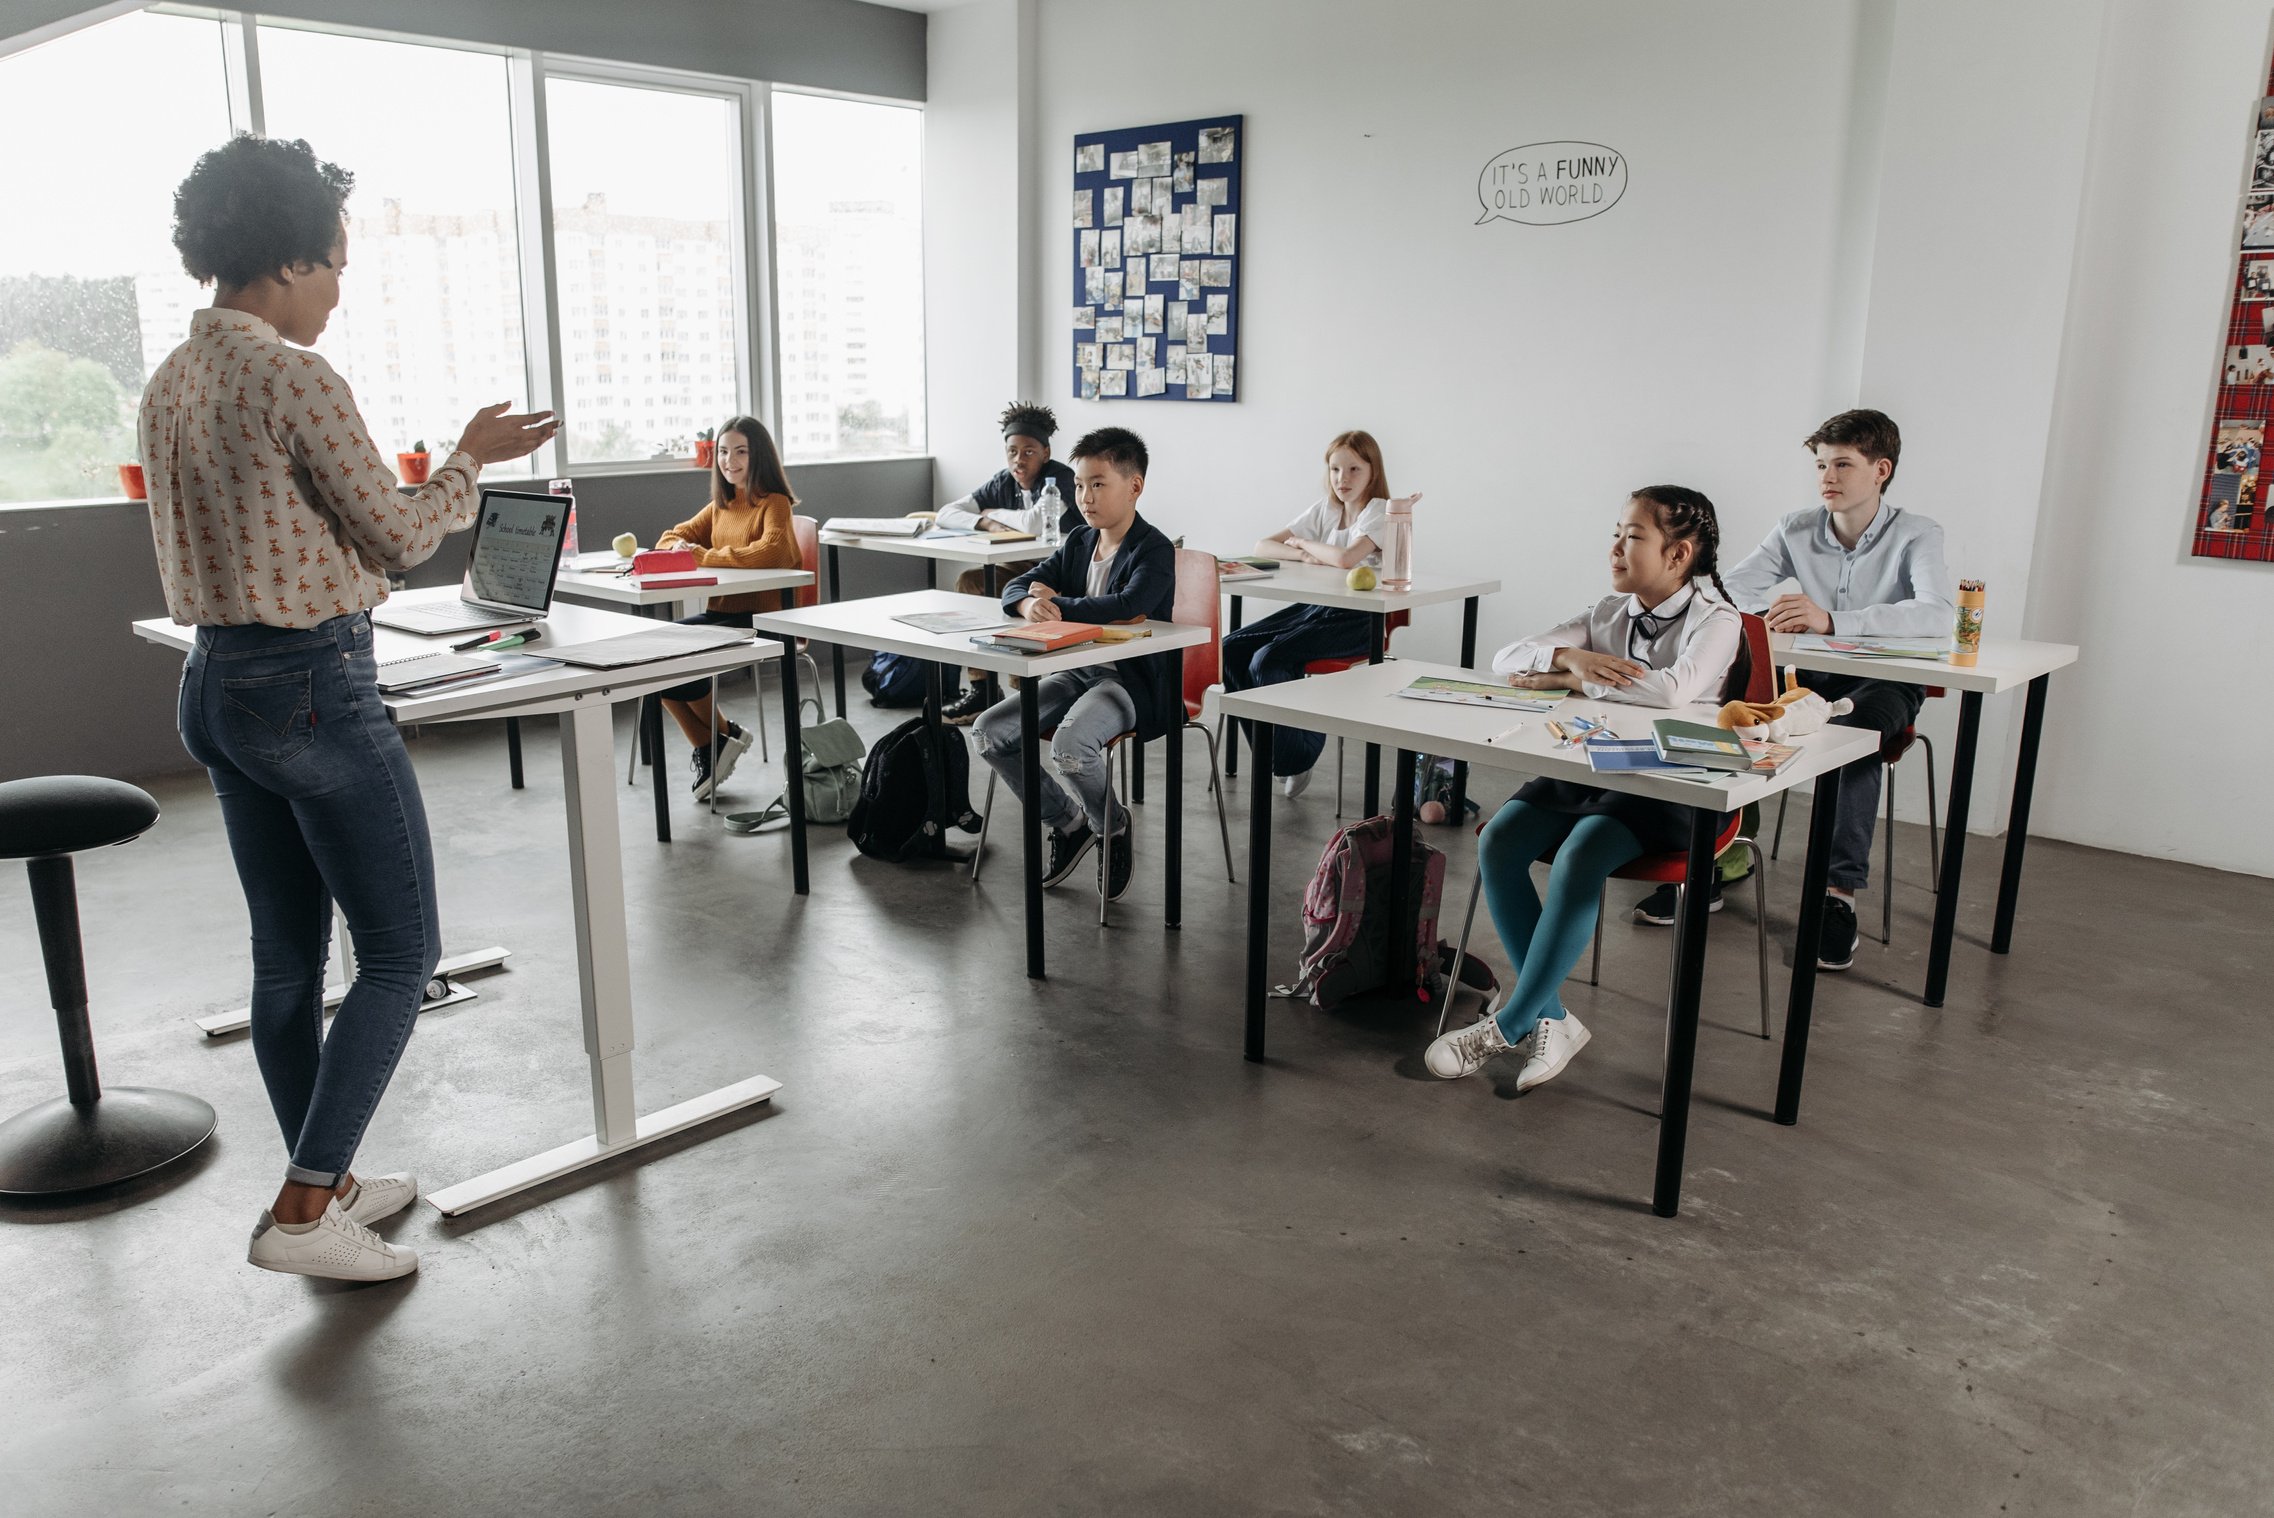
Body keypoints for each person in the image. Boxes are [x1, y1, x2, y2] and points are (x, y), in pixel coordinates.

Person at [145, 135, 557, 1281]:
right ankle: (304, 1211)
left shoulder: (173, 377)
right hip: (316, 687)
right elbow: (404, 533)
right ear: (282, 262)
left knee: (286, 958)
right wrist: (470, 460)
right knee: (398, 953)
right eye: (332, 262)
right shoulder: (291, 374)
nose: (337, 286)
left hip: (217, 683)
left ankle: (316, 1178)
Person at [1424, 486, 1742, 1091]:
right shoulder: (1608, 611)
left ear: (1678, 555)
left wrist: (1573, 678)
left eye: (1632, 535)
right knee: (1499, 842)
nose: (1615, 547)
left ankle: (1506, 1025)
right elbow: (1505, 657)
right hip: (1594, 763)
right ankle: (1553, 1019)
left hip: (1670, 781)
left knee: (1578, 858)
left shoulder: (1717, 620)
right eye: (1617, 532)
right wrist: (1571, 655)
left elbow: (1672, 692)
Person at [1716, 408, 1953, 971]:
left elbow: (1938, 615)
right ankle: (1716, 858)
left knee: (1850, 745)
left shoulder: (1917, 533)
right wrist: (1761, 613)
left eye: (1843, 463)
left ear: (1881, 470)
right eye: (1821, 463)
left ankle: (1837, 898)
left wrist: (1831, 621)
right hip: (1809, 677)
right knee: (1726, 710)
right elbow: (1730, 591)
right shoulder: (1795, 527)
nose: (1828, 476)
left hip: (1885, 679)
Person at [970, 427, 1177, 901]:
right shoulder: (1080, 540)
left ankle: (1112, 826)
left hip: (1130, 681)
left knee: (1070, 746)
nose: (1085, 496)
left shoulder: (1155, 548)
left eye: (1098, 484)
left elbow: (1130, 604)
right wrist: (1027, 606)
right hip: (1077, 673)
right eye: (1080, 484)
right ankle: (1066, 822)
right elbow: (1017, 587)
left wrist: (1058, 602)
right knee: (988, 732)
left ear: (1135, 486)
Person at [1221, 430, 1421, 796]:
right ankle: (1279, 753)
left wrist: (1298, 542)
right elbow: (1262, 545)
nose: (1342, 480)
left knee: (1268, 660)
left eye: (1353, 470)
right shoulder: (1327, 509)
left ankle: (1296, 755)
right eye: (1335, 470)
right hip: (1318, 608)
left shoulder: (1381, 510)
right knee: (1231, 648)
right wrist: (1304, 553)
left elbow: (1346, 558)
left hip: (1362, 619)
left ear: (1372, 471)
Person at [647, 415, 802, 800]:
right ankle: (715, 740)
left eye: (741, 452)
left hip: (766, 619)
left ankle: (715, 742)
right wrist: (680, 549)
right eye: (723, 452)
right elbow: (669, 536)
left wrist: (705, 555)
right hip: (723, 614)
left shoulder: (774, 503)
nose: (729, 461)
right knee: (652, 655)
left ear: (759, 456)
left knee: (681, 656)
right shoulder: (720, 506)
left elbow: (774, 550)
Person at [937, 402, 1081, 724]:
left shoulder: (1061, 478)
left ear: (1045, 452)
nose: (1019, 460)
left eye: (1028, 452)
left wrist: (992, 513)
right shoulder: (1002, 481)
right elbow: (946, 513)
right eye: (1012, 451)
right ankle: (982, 690)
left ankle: (1031, 689)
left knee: (1037, 595)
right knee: (970, 582)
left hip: (1057, 572)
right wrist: (984, 524)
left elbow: (1033, 522)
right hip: (1020, 569)